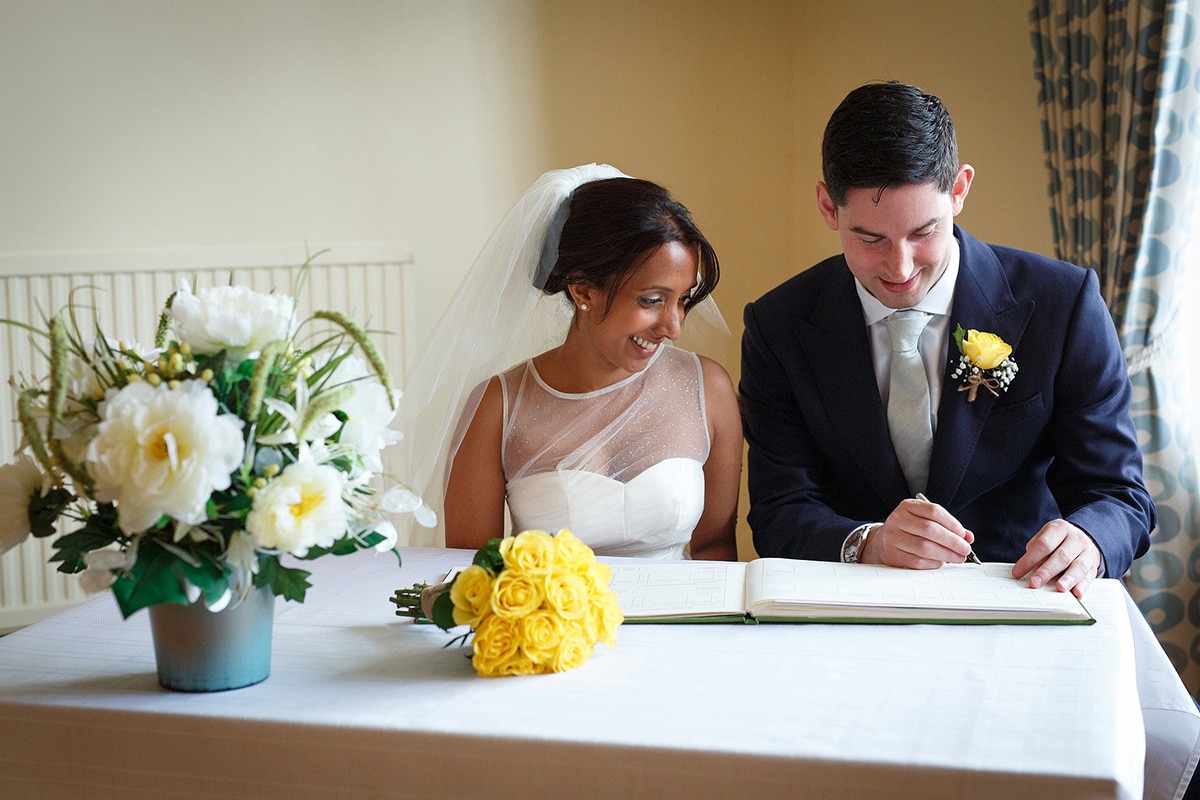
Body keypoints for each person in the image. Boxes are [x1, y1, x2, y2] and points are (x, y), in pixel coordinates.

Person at [739, 81, 1153, 597]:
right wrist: (867, 543)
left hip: (1023, 601)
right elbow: (781, 510)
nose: (900, 267)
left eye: (923, 232)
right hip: (854, 611)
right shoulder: (779, 325)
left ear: (959, 190)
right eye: (870, 239)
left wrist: (1089, 539)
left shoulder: (1063, 304)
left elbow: (1118, 495)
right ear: (828, 206)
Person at [400, 164, 741, 560]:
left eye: (683, 299)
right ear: (583, 291)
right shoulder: (496, 407)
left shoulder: (708, 388)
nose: (673, 327)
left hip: (680, 619)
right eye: (652, 300)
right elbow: (472, 570)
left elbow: (716, 547)